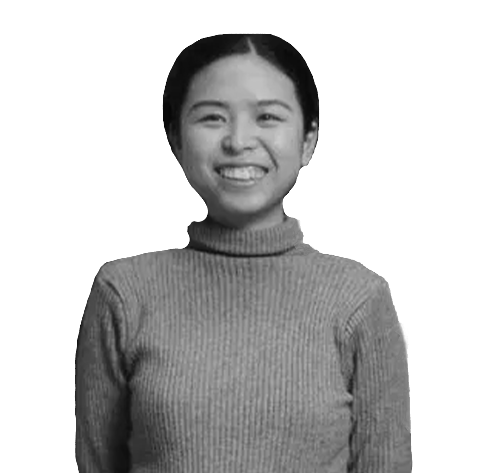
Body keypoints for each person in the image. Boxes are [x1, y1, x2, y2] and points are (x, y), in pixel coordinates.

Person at [75, 33, 412, 473]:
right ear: (176, 139)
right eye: (212, 118)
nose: (238, 140)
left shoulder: (360, 298)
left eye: (267, 116)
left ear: (308, 140)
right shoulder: (123, 292)